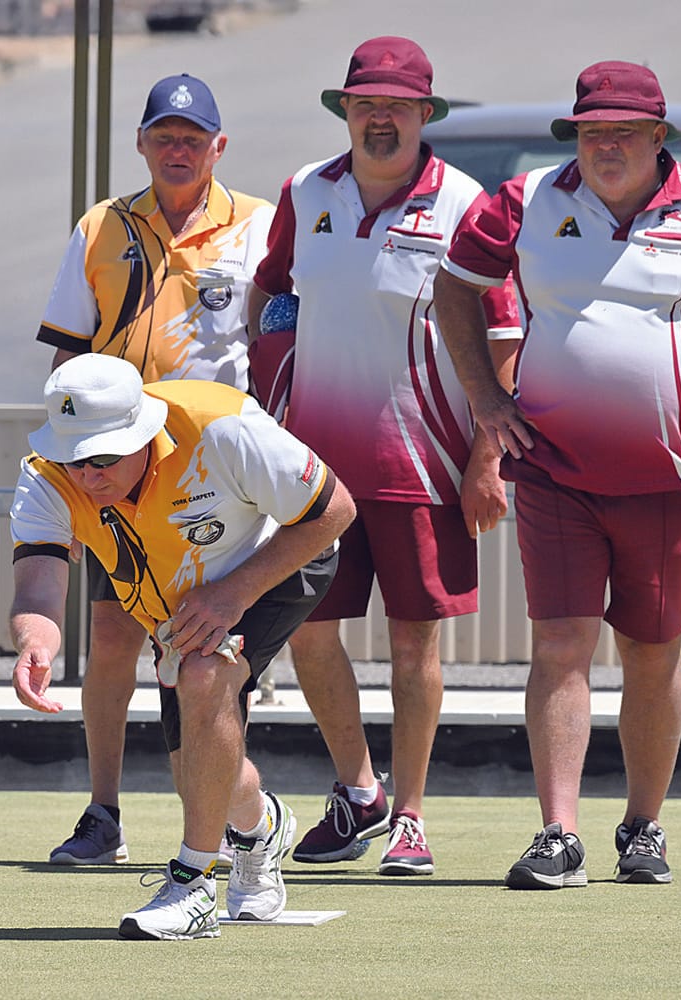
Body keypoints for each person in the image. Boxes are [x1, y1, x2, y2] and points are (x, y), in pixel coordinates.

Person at [434, 61, 681, 888]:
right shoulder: (524, 200)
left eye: (623, 132)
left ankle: (644, 827)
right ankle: (558, 833)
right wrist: (486, 401)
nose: (605, 146)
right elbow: (454, 289)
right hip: (553, 471)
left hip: (667, 475)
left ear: (657, 137)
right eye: (591, 132)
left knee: (652, 651)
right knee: (560, 643)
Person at [246, 36, 522, 876]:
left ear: (425, 114)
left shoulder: (466, 202)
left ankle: (410, 817)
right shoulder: (306, 189)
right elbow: (271, 288)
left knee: (413, 647)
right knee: (309, 635)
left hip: (424, 461)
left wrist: (486, 459)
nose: (379, 119)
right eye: (364, 104)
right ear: (344, 110)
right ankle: (359, 790)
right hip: (314, 471)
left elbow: (503, 337)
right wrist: (270, 379)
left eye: (396, 107)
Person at [8, 354, 354, 940]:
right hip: (178, 603)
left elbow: (335, 509)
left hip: (281, 558)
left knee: (203, 671)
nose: (87, 476)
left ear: (143, 432)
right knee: (197, 771)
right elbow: (37, 583)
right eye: (74, 457)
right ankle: (262, 826)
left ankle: (192, 885)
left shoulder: (223, 428)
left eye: (102, 457)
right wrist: (34, 643)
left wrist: (233, 594)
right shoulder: (45, 477)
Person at [34, 73, 275, 866]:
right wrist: (69, 463)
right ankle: (103, 811)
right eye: (164, 136)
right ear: (140, 143)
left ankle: (219, 823)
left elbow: (278, 346)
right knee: (111, 634)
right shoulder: (101, 225)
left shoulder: (261, 225)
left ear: (219, 146)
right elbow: (69, 353)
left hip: (213, 474)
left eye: (193, 138)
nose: (178, 150)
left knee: (210, 650)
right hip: (115, 465)